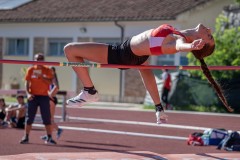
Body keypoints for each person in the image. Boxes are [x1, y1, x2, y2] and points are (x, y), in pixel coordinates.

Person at [64, 23, 233, 124]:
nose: (209, 29)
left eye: (209, 36)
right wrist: (159, 107)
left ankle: (89, 91)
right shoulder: (177, 34)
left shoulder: (177, 40)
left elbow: (180, 46)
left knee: (70, 50)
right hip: (134, 54)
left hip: (121, 54)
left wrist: (190, 47)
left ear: (200, 44)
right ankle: (158, 107)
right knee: (146, 70)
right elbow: (148, 75)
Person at [20, 53, 57, 144]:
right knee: (29, 118)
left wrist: (42, 77)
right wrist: (28, 94)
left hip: (44, 96)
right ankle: (26, 137)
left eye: (40, 59)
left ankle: (49, 137)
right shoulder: (31, 69)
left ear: (43, 60)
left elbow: (50, 82)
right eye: (37, 59)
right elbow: (27, 83)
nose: (38, 60)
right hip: (33, 96)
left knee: (46, 118)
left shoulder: (47, 70)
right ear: (34, 60)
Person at [41, 66, 63, 140]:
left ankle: (58, 130)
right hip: (50, 99)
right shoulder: (49, 78)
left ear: (54, 72)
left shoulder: (53, 78)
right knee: (49, 119)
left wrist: (50, 94)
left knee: (49, 119)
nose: (49, 72)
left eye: (51, 71)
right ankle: (48, 134)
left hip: (51, 99)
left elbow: (57, 87)